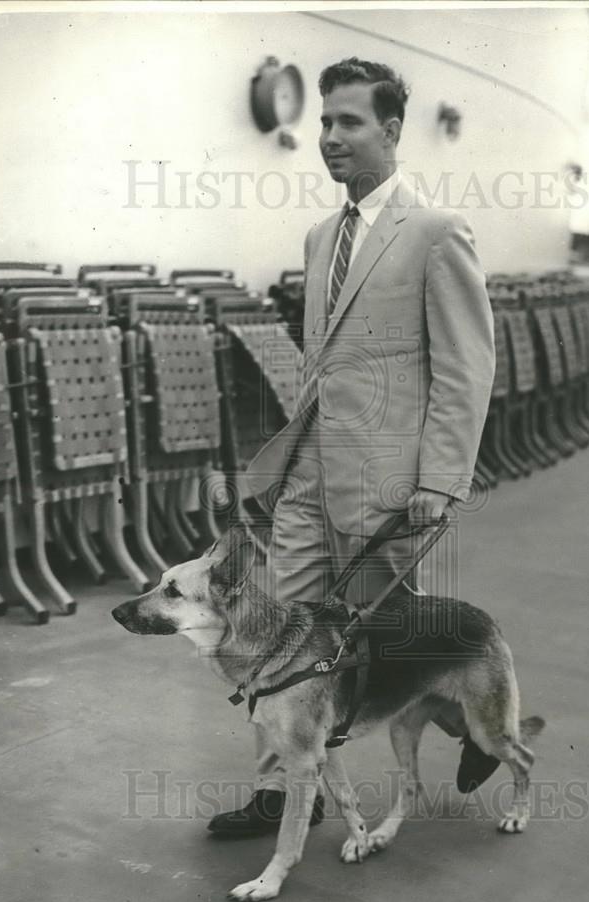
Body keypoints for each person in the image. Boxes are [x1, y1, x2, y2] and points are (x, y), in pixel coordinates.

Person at [208, 57, 498, 837]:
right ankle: (278, 795)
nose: (329, 137)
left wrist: (441, 477)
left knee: (389, 640)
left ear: (392, 130)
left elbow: (467, 366)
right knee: (283, 637)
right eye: (324, 123)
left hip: (388, 488)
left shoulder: (435, 233)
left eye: (348, 122)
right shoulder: (317, 237)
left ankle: (476, 731)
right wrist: (277, 469)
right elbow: (320, 368)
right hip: (308, 479)